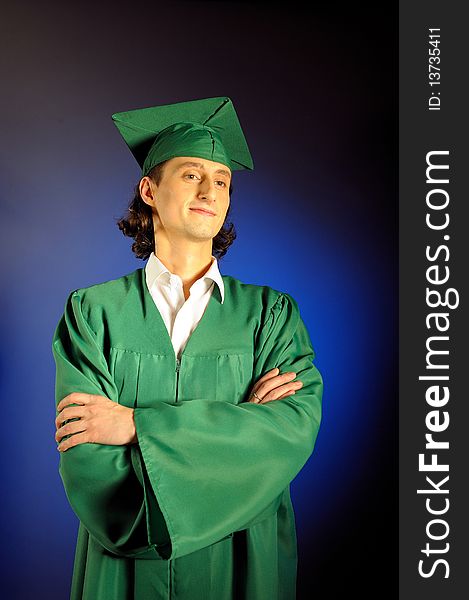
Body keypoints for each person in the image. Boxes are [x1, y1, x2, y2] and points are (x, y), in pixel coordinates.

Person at [52, 96, 323, 600]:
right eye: (192, 174)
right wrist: (239, 426)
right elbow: (86, 458)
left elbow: (289, 434)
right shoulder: (93, 313)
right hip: (124, 567)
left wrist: (137, 425)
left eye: (222, 181)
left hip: (244, 562)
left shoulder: (270, 315)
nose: (210, 191)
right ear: (149, 189)